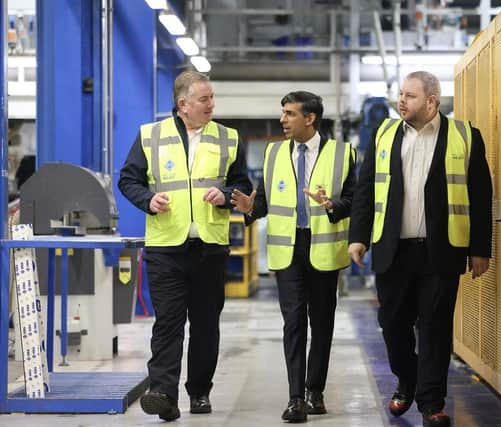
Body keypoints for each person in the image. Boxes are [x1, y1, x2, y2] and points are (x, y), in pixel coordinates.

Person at [348, 71, 492, 427]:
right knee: (393, 324)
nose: (401, 101)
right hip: (392, 249)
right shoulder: (384, 134)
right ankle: (406, 380)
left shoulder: (465, 136)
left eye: (410, 96)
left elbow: (480, 196)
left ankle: (431, 403)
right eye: (401, 94)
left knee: (435, 328)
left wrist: (480, 249)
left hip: (441, 251)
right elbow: (366, 190)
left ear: (432, 101)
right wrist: (358, 236)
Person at [118, 70, 252, 421]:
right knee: (168, 323)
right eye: (204, 99)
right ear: (183, 104)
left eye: (211, 98)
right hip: (166, 246)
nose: (211, 104)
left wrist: (224, 194)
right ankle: (163, 392)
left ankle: (200, 392)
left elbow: (241, 183)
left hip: (209, 246)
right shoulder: (151, 136)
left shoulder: (229, 138)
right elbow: (128, 179)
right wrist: (148, 200)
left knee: (206, 324)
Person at [231, 91, 356, 423]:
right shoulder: (273, 153)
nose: (283, 119)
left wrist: (333, 206)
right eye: (282, 113)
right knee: (294, 323)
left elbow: (356, 200)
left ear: (310, 118)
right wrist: (250, 209)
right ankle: (295, 398)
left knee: (323, 323)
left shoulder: (343, 154)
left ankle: (316, 391)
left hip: (325, 249)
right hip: (288, 250)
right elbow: (266, 201)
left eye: (290, 114)